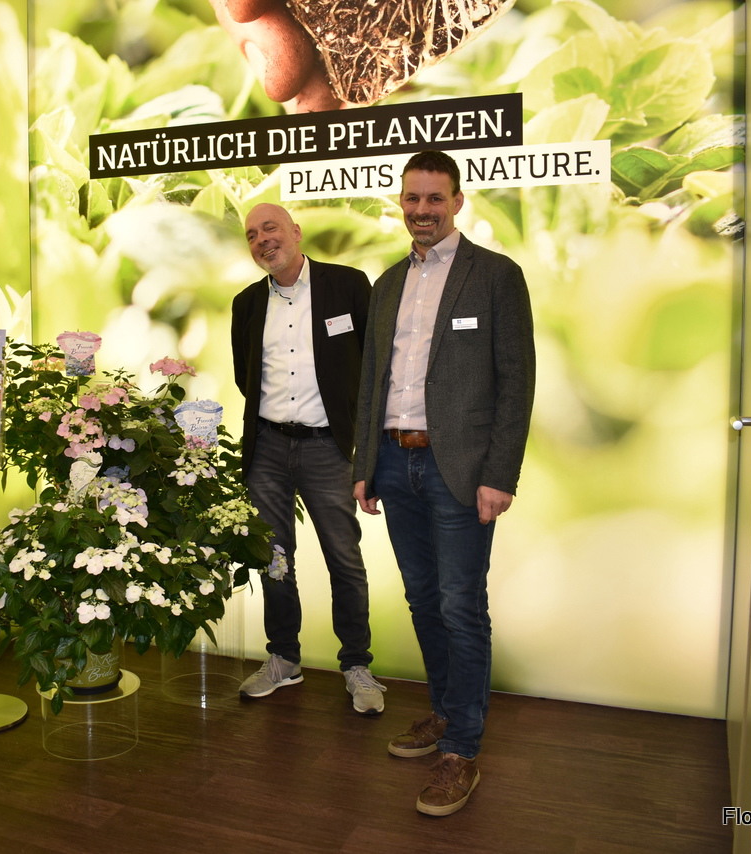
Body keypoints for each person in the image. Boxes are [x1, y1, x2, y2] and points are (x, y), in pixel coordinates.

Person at [352, 150, 535, 816]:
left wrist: (500, 474)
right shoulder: (387, 284)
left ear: (457, 202)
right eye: (412, 198)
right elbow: (372, 379)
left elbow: (516, 382)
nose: (422, 210)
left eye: (435, 198)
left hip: (458, 469)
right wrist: (363, 465)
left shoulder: (496, 276)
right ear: (400, 203)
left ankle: (461, 749)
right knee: (424, 599)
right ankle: (444, 711)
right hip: (394, 462)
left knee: (461, 605)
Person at [231, 202, 384, 714]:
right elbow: (245, 375)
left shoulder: (348, 285)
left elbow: (374, 366)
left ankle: (357, 665)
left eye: (270, 228)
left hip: (328, 448)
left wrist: (367, 449)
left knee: (344, 558)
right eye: (252, 235)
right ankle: (283, 658)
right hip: (268, 449)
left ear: (296, 232)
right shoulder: (246, 303)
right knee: (274, 559)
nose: (262, 240)